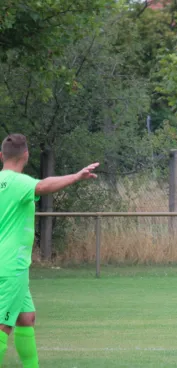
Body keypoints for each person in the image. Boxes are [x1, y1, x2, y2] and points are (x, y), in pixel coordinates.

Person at [0, 134, 99, 367]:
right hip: (11, 266)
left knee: (26, 319)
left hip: (8, 265)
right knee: (4, 325)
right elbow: (43, 185)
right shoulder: (19, 183)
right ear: (26, 155)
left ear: (1, 156)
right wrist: (76, 176)